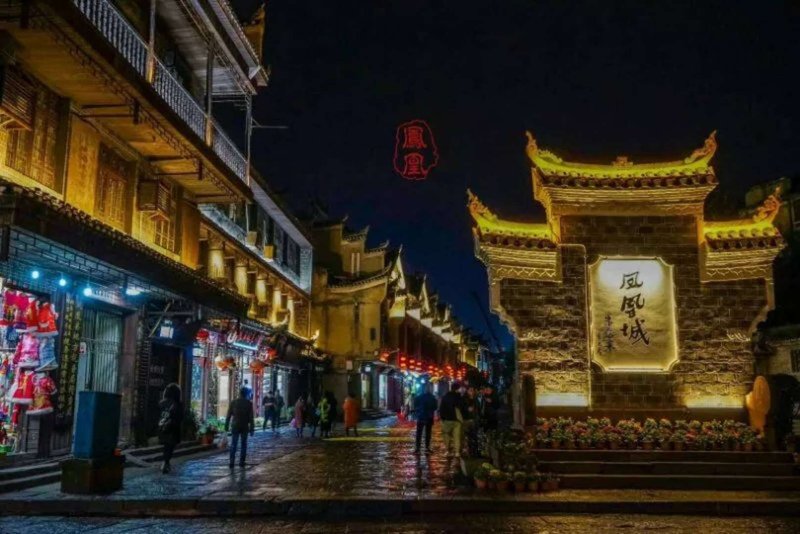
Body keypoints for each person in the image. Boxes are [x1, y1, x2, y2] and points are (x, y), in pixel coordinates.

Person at [225, 386, 255, 468]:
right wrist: (252, 428)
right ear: (246, 394)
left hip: (235, 425)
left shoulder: (233, 402)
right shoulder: (249, 403)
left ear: (239, 393)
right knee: (243, 444)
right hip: (244, 426)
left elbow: (228, 415)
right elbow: (251, 417)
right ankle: (242, 462)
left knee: (233, 444)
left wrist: (226, 426)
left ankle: (231, 462)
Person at [158, 383, 183, 474]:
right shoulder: (177, 404)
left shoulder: (161, 403)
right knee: (170, 447)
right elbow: (180, 417)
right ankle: (166, 462)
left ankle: (166, 462)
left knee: (166, 446)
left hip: (162, 427)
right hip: (173, 429)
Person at [439, 383, 464, 458]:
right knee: (457, 437)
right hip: (457, 420)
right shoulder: (459, 397)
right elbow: (462, 408)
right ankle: (457, 452)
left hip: (447, 419)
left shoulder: (445, 397)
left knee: (446, 435)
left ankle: (447, 450)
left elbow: (442, 408)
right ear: (457, 389)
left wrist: (442, 418)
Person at [413, 383, 438, 454]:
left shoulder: (419, 397)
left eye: (429, 387)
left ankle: (419, 448)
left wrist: (418, 411)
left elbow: (415, 406)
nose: (428, 389)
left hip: (423, 417)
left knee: (421, 433)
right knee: (426, 433)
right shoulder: (432, 397)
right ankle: (424, 448)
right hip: (426, 416)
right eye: (428, 387)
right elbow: (435, 407)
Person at [462, 385, 480, 457]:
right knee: (467, 436)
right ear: (467, 391)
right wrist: (467, 409)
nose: (472, 392)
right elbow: (461, 408)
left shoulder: (476, 399)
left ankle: (474, 451)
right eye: (470, 390)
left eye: (473, 390)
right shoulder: (464, 399)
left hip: (474, 419)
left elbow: (478, 408)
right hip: (467, 419)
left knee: (474, 436)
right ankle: (468, 451)